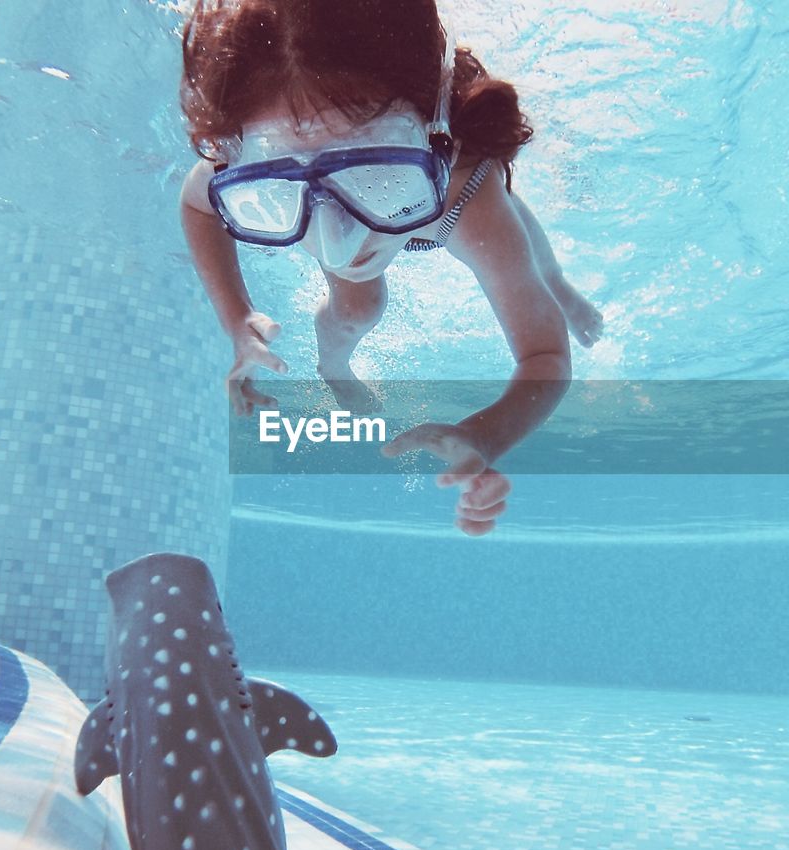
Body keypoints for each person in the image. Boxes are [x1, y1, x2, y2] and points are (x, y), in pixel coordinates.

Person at [178, 0, 603, 536]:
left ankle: (557, 283)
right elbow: (197, 205)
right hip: (437, 188)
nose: (340, 234)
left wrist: (485, 435)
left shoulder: (466, 196)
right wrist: (236, 319)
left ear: (433, 129)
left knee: (505, 218)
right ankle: (335, 370)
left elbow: (545, 355)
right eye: (282, 177)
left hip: (452, 197)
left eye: (374, 170)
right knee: (359, 307)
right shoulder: (246, 156)